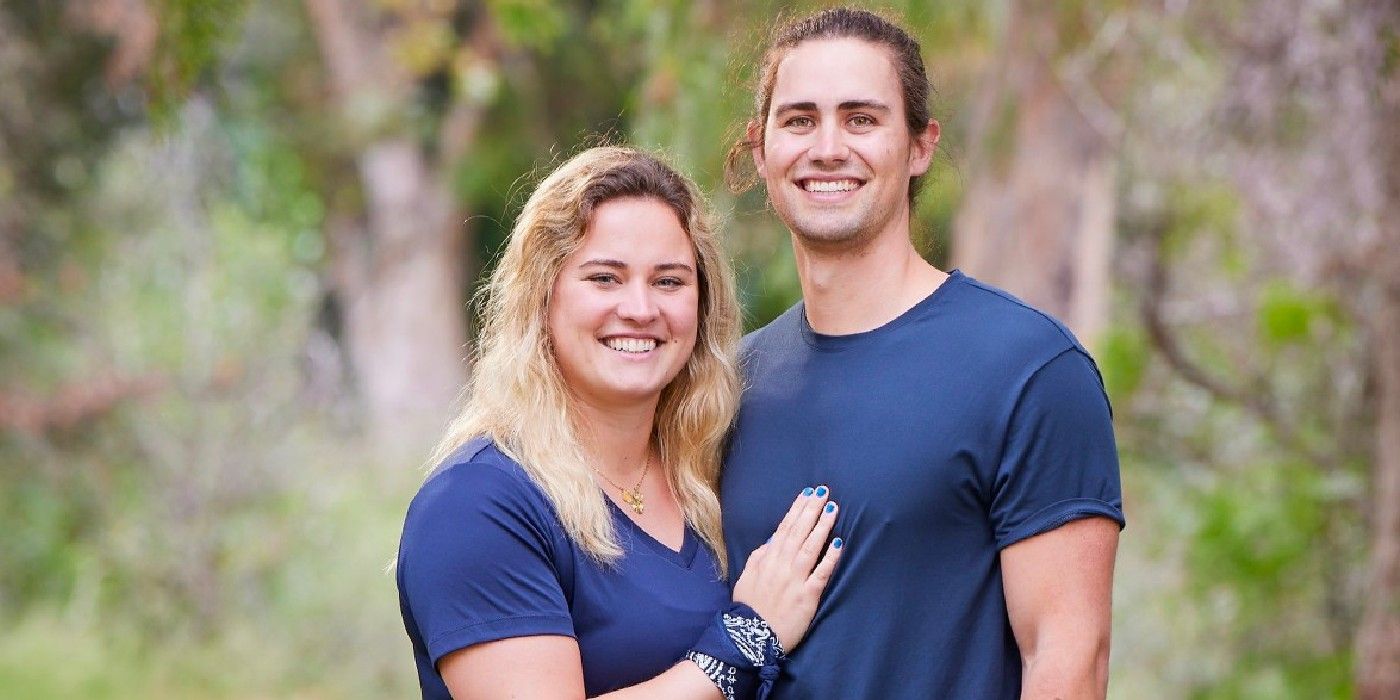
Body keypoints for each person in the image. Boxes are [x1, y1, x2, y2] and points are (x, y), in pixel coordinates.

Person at [719, 8, 1126, 699]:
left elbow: (1067, 661)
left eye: (861, 119)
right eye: (798, 120)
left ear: (919, 146)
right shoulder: (728, 384)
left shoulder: (1028, 371)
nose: (826, 148)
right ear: (762, 152)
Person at [396, 146, 843, 700]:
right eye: (605, 278)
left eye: (669, 281)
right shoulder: (478, 504)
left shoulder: (708, 476)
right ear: (542, 296)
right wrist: (749, 637)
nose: (640, 308)